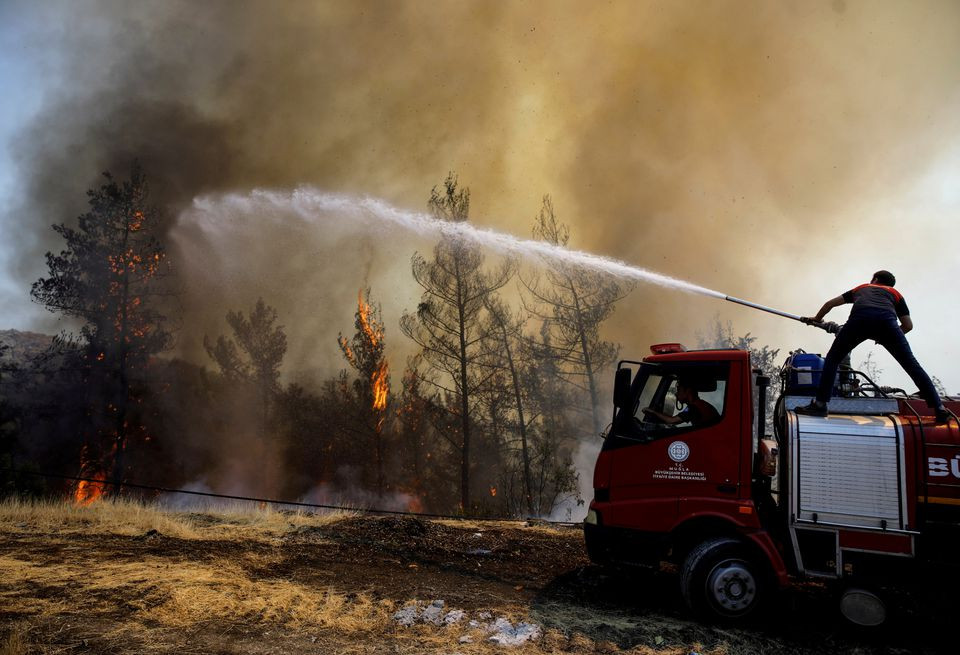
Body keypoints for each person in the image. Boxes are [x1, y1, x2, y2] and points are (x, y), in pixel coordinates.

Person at [795, 270, 950, 423]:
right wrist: (886, 337)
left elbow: (830, 304)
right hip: (888, 326)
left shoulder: (862, 288)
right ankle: (939, 409)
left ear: (875, 279)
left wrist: (817, 318)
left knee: (833, 360)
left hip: (859, 323)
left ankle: (820, 405)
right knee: (912, 365)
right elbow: (908, 326)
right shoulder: (895, 294)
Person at [643, 378, 720, 427]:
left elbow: (672, 421)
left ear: (688, 391)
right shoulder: (701, 405)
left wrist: (653, 412)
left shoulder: (694, 408)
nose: (676, 394)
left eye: (679, 390)